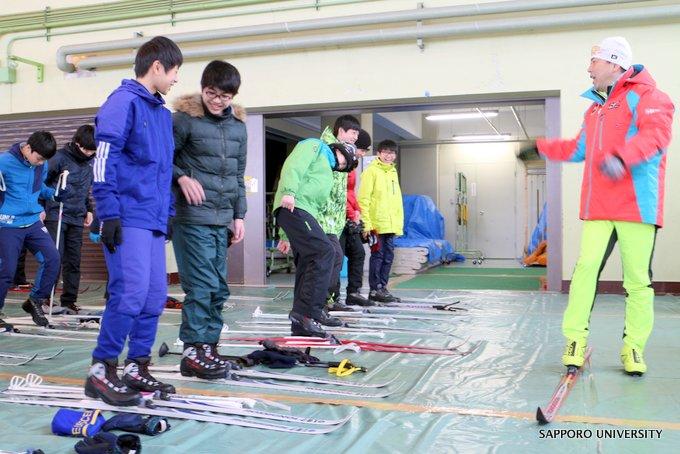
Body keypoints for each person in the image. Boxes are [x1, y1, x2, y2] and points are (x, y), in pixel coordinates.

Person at [535, 37, 674, 375]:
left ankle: (633, 349)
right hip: (598, 205)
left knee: (637, 281)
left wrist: (622, 158)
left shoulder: (650, 97)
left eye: (594, 61)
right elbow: (578, 148)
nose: (589, 68)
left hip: (636, 205)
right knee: (584, 273)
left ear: (614, 63)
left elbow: (656, 136)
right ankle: (575, 342)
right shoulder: (595, 108)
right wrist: (541, 148)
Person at [84, 36, 183, 406]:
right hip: (126, 215)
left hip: (152, 217)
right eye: (174, 71)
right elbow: (103, 158)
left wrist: (168, 212)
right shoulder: (122, 102)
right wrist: (107, 211)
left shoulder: (160, 113)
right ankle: (101, 369)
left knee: (156, 295)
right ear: (157, 66)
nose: (176, 79)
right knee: (130, 292)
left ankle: (136, 365)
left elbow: (162, 170)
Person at [171, 60, 248, 379]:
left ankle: (208, 347)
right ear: (203, 89)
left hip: (222, 218)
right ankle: (192, 351)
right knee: (201, 286)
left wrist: (240, 214)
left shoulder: (238, 128)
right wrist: (181, 178)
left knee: (218, 289)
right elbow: (161, 160)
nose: (218, 101)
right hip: (191, 217)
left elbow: (238, 174)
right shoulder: (183, 120)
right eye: (212, 93)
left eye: (225, 96)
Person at [274, 124, 358, 337]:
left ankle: (301, 319)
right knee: (324, 252)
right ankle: (309, 312)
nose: (341, 166)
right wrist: (289, 191)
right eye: (342, 161)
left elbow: (318, 206)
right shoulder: (315, 146)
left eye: (344, 167)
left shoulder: (328, 172)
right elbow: (294, 166)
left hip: (303, 212)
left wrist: (285, 235)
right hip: (294, 204)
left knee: (309, 259)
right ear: (337, 149)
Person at [0, 131, 63, 327]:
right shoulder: (4, 162)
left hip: (33, 221)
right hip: (8, 223)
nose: (41, 162)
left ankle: (34, 301)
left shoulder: (40, 163)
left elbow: (39, 188)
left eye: (44, 160)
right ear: (28, 148)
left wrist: (54, 194)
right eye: (39, 158)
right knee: (6, 271)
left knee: (53, 259)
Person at [305, 116, 361, 319]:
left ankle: (325, 302)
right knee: (331, 257)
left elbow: (344, 190)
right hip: (321, 216)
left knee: (334, 258)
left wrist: (350, 213)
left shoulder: (344, 150)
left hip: (335, 219)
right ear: (341, 131)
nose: (355, 137)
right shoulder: (324, 148)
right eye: (353, 132)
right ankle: (318, 304)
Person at [44, 125, 97, 313]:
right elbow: (42, 183)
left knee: (73, 261)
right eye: (86, 149)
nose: (89, 153)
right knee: (53, 258)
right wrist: (41, 209)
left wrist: (89, 209)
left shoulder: (90, 161)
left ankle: (69, 300)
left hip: (76, 216)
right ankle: (44, 298)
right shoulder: (58, 158)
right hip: (56, 214)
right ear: (77, 143)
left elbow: (85, 189)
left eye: (93, 150)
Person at [358, 139, 404, 304]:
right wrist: (367, 224)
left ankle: (382, 288)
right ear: (378, 153)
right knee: (378, 256)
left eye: (391, 152)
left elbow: (395, 201)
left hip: (390, 225)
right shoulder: (372, 171)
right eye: (385, 152)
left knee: (388, 257)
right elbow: (363, 199)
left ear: (395, 156)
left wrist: (398, 224)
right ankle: (374, 290)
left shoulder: (392, 172)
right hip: (376, 225)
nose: (388, 155)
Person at [332, 128, 372, 307]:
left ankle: (353, 293)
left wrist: (357, 212)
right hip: (337, 218)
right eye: (362, 150)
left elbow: (350, 192)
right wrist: (352, 213)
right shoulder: (341, 160)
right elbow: (339, 193)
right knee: (336, 258)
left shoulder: (353, 164)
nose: (362, 155)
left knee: (358, 253)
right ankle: (333, 297)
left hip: (349, 217)